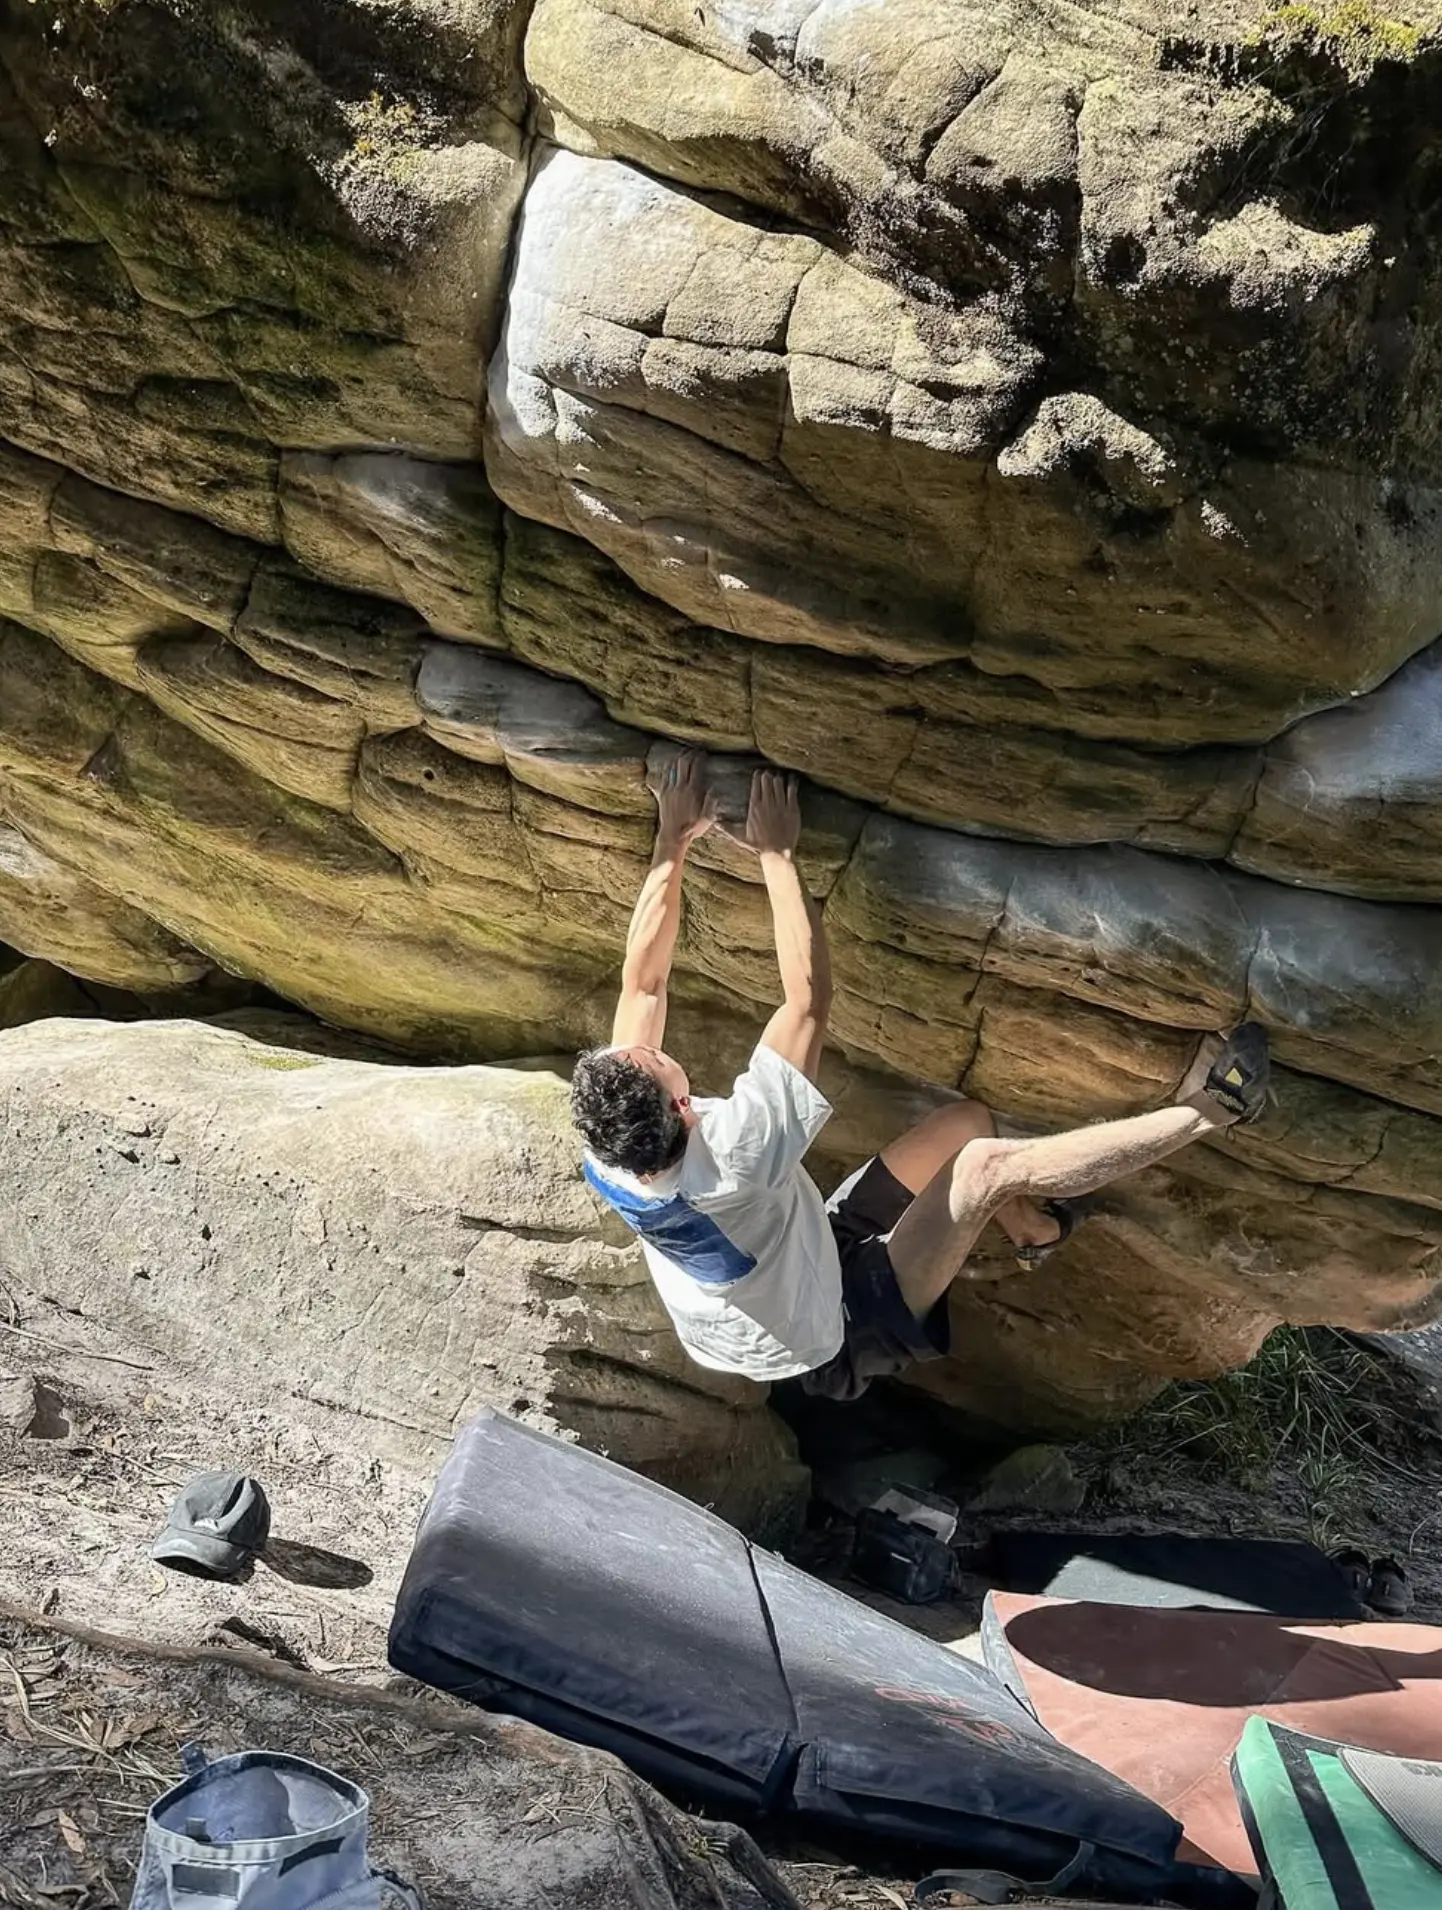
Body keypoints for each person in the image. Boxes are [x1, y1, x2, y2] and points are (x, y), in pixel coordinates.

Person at [570, 750, 1270, 1401]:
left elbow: (645, 986)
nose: (648, 1048)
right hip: (832, 1329)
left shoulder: (612, 1143)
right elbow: (808, 999)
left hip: (794, 1258)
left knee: (965, 1123)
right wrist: (779, 854)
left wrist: (673, 840)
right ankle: (1215, 1108)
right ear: (685, 1110)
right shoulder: (739, 1158)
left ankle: (1035, 1233)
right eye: (660, 1064)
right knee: (984, 1165)